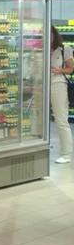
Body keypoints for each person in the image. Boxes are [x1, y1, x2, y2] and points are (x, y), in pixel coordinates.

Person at [50, 25, 73, 164]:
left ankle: (66, 154)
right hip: (42, 86)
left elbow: (71, 68)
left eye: (50, 34)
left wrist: (60, 70)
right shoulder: (40, 50)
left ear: (54, 35)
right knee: (39, 119)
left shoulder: (65, 49)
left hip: (58, 85)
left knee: (61, 119)